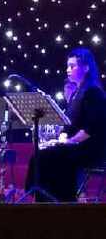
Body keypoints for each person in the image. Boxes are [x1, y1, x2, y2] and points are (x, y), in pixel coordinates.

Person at [25, 48, 106, 201]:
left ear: (86, 68)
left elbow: (91, 128)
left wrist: (69, 141)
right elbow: (69, 125)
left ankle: (59, 201)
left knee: (46, 156)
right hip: (76, 145)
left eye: (72, 66)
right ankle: (45, 199)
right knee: (43, 152)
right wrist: (59, 139)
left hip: (90, 148)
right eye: (68, 66)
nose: (68, 70)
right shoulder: (77, 93)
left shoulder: (93, 92)